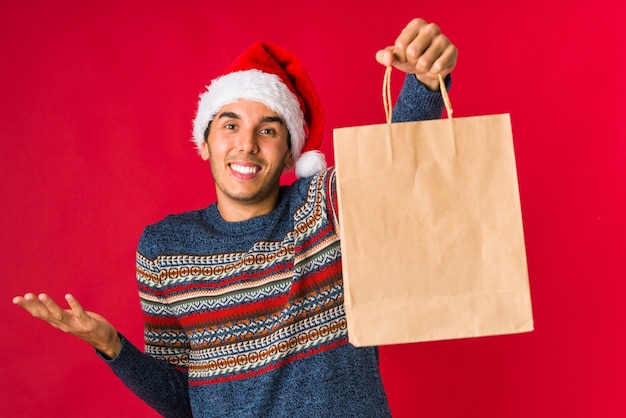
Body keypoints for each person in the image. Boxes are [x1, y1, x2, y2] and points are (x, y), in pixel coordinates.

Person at [13, 18, 458, 418]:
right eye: (230, 125)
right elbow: (184, 401)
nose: (247, 144)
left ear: (289, 153)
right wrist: (111, 346)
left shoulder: (324, 205)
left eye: (267, 130)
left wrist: (424, 79)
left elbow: (398, 172)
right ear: (204, 144)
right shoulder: (164, 249)